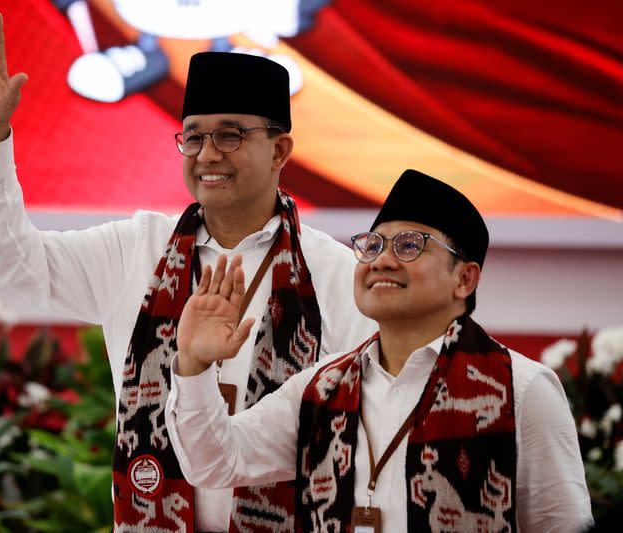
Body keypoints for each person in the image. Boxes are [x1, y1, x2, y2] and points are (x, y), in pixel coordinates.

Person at [0, 5, 374, 532]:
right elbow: (8, 256)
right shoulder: (137, 249)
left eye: (230, 135)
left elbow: (371, 431)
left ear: (280, 149)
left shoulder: (334, 274)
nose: (207, 154)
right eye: (193, 136)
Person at [167, 169, 594, 532]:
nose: (381, 261)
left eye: (409, 245)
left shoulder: (522, 390)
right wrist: (193, 363)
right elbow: (215, 463)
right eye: (372, 245)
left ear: (464, 279)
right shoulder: (320, 390)